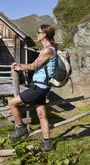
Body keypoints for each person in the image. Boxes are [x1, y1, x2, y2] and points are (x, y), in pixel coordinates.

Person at [8, 24, 57, 152]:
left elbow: (33, 66)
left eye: (38, 32)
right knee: (41, 115)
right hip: (42, 87)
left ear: (44, 34)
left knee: (12, 103)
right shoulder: (48, 49)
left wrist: (19, 66)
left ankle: (20, 127)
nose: (37, 34)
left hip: (39, 87)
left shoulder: (48, 50)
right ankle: (47, 142)